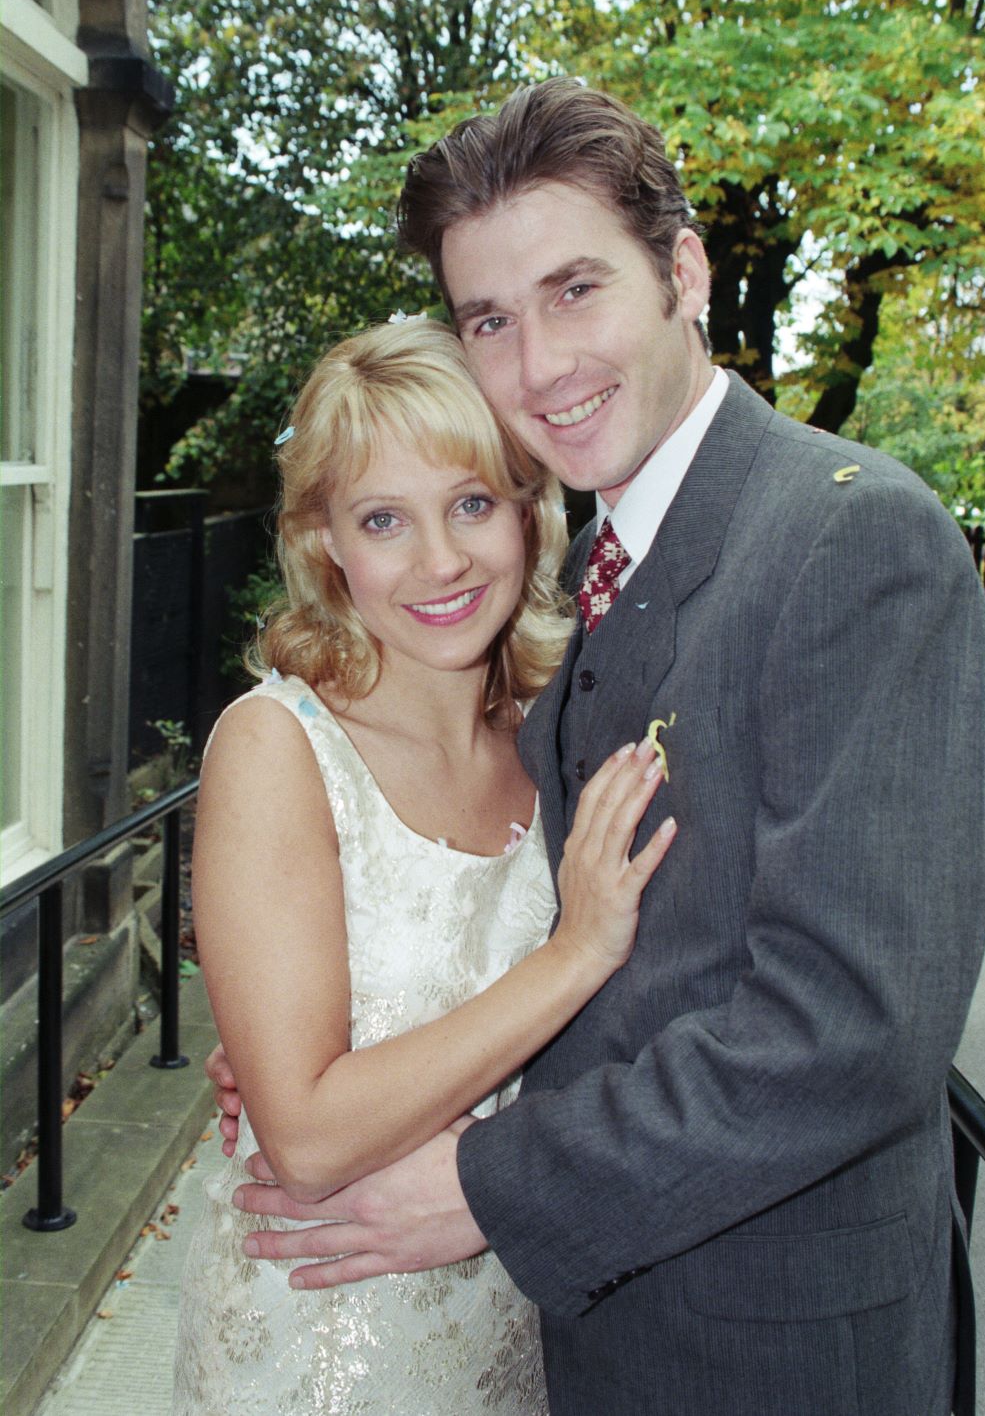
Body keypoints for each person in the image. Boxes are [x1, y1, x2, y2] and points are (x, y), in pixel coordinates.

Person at [210, 81, 985, 1415]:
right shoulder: (588, 576)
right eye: (491, 320)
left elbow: (851, 1028)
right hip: (578, 1335)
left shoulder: (851, 543)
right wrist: (328, 1033)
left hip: (767, 1346)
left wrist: (482, 1182)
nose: (541, 364)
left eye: (577, 290)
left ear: (682, 272)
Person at [173, 317, 677, 1415]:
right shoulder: (281, 749)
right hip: (323, 1350)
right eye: (385, 519)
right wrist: (576, 951)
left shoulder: (557, 733)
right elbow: (304, 1140)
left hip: (512, 1325)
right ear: (326, 545)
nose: (439, 561)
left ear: (532, 512)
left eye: (472, 504)